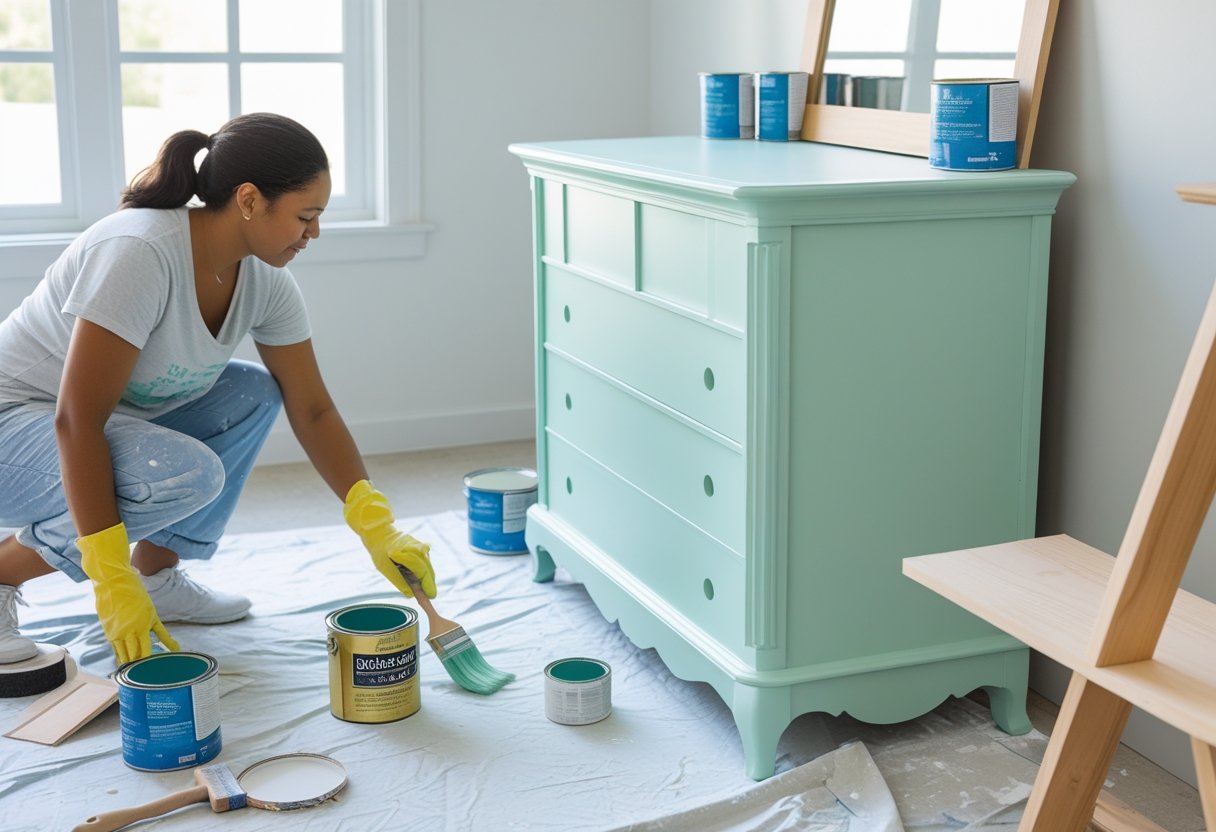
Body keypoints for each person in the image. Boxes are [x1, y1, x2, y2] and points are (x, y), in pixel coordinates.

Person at [0, 112, 436, 666]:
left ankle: (156, 575)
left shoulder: (265, 281)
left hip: (88, 421)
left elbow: (313, 407)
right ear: (250, 200)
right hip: (12, 426)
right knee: (187, 472)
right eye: (306, 216)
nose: (314, 234)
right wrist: (107, 575)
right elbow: (75, 420)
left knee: (252, 394)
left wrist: (376, 524)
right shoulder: (141, 253)